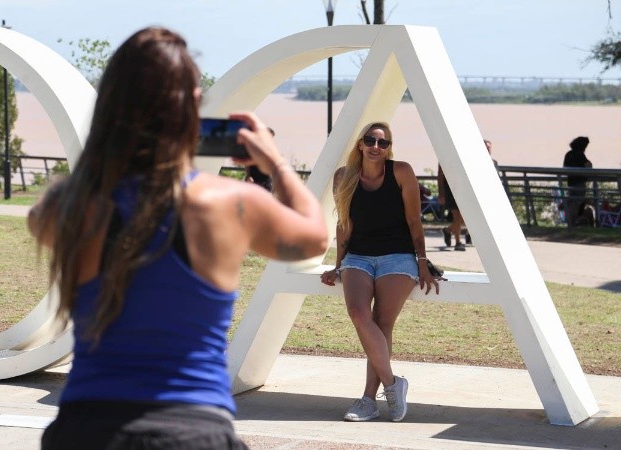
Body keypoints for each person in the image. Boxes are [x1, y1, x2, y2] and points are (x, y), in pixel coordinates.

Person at [28, 27, 327, 449]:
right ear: (192, 109)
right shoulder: (228, 203)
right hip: (189, 431)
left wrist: (104, 157)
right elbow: (314, 238)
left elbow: (36, 217)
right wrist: (274, 161)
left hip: (84, 429)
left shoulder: (70, 206)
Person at [319, 122, 440, 423]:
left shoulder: (401, 172)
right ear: (360, 144)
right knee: (359, 314)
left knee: (382, 323)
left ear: (389, 148)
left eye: (383, 143)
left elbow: (414, 222)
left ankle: (368, 401)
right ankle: (393, 385)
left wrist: (422, 263)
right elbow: (344, 224)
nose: (376, 147)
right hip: (358, 256)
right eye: (370, 141)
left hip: (398, 257)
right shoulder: (344, 177)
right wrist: (339, 264)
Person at [562, 136, 593, 227]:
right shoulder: (580, 155)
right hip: (579, 183)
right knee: (577, 202)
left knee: (573, 202)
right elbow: (588, 165)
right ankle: (573, 223)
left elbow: (564, 168)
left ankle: (571, 223)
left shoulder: (569, 154)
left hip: (571, 182)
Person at [437, 163, 466, 251]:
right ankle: (458, 243)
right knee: (457, 216)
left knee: (463, 218)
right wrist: (441, 193)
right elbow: (440, 175)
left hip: (463, 188)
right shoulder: (446, 154)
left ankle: (448, 230)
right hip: (450, 189)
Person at [244, 127, 276, 192]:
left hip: (266, 182)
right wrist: (248, 176)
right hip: (253, 179)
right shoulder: (253, 147)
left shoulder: (271, 150)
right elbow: (247, 163)